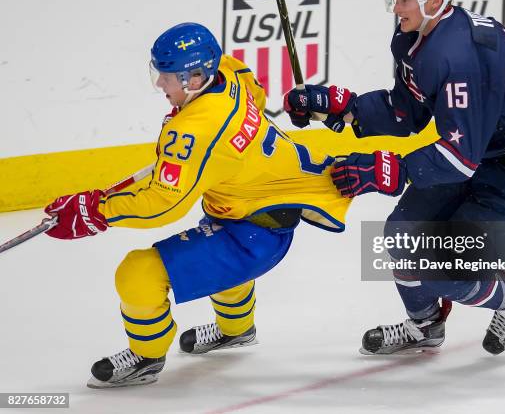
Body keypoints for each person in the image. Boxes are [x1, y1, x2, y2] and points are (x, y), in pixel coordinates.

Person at [284, 0, 505, 355]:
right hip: (485, 149)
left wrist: (394, 170)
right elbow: (408, 113)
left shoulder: (460, 57)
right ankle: (425, 327)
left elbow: (460, 158)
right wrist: (346, 108)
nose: (396, 4)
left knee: (441, 267)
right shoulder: (414, 36)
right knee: (401, 237)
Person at [44, 22, 351, 388]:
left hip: (255, 231)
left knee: (137, 273)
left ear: (193, 78)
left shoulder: (193, 130)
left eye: (167, 77)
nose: (160, 84)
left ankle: (146, 356)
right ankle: (237, 330)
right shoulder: (227, 71)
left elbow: (162, 204)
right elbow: (255, 91)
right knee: (221, 256)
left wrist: (95, 212)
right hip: (254, 210)